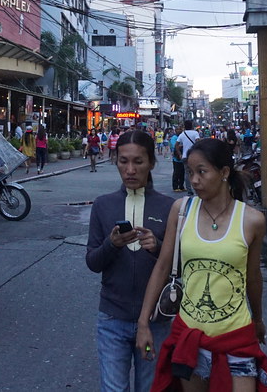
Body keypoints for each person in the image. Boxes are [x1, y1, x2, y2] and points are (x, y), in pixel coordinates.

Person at [135, 138, 267, 391]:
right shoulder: (182, 210)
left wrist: (259, 320)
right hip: (190, 336)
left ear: (223, 173)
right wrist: (143, 322)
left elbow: (253, 277)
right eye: (190, 172)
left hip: (236, 337)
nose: (194, 180)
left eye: (202, 172)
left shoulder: (252, 220)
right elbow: (162, 267)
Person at [87, 130, 175, 392]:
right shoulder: (103, 206)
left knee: (149, 388)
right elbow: (93, 262)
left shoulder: (169, 207)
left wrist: (157, 248)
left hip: (155, 323)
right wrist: (111, 245)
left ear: (151, 162)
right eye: (123, 161)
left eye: (138, 161)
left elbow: (180, 267)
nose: (130, 169)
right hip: (112, 319)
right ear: (115, 161)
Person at [177, 120, 200, 194]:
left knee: (187, 173)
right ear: (192, 126)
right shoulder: (195, 133)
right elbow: (198, 142)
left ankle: (189, 190)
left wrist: (179, 154)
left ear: (184, 126)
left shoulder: (182, 134)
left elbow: (176, 145)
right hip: (194, 156)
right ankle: (198, 188)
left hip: (185, 156)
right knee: (197, 172)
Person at [170, 126, 184, 193]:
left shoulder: (182, 137)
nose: (179, 130)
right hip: (176, 158)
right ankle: (175, 187)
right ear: (175, 131)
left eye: (180, 129)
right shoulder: (174, 138)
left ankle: (181, 186)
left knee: (182, 173)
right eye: (178, 129)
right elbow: (174, 146)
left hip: (182, 158)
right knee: (176, 173)